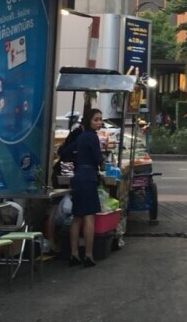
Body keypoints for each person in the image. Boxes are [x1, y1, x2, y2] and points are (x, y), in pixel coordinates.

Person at [68, 108, 105, 267]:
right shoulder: (92, 137)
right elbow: (98, 158)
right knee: (89, 216)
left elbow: (65, 152)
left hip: (77, 177)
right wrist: (103, 161)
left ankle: (74, 253)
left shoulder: (80, 136)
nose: (99, 122)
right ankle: (88, 255)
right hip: (88, 176)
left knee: (77, 217)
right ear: (89, 120)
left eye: (100, 119)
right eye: (96, 119)